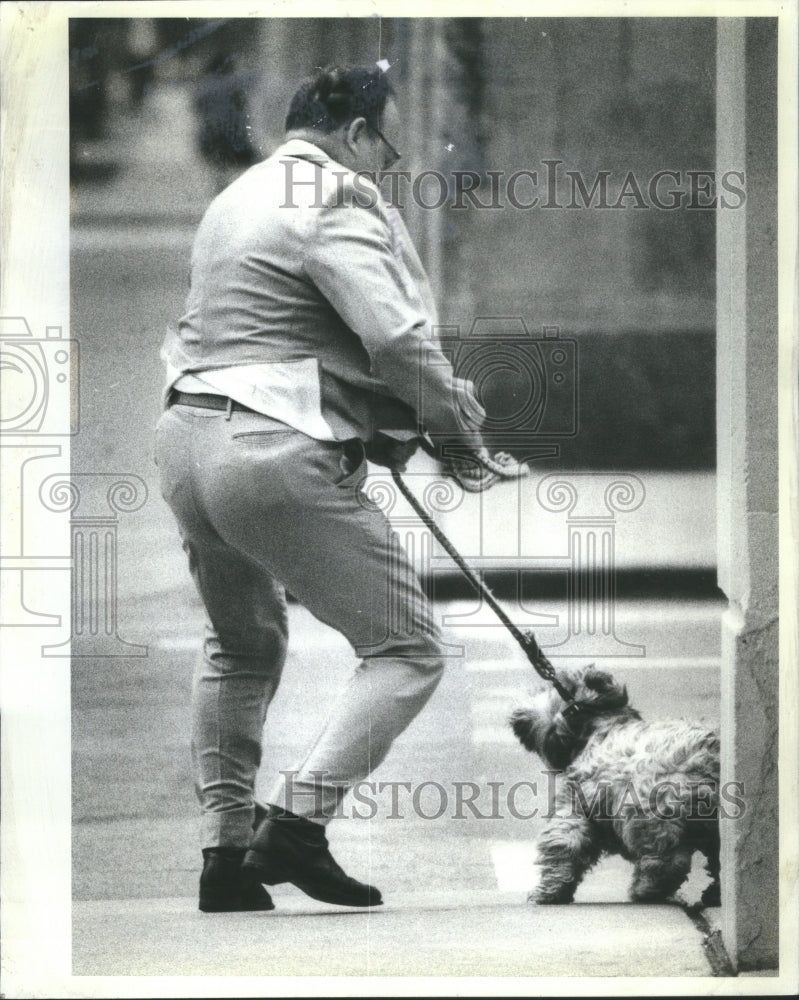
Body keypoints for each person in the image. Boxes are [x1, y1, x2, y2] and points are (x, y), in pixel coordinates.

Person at [155, 65, 496, 913]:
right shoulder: (336, 196)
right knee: (407, 648)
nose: (387, 162)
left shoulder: (239, 194)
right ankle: (298, 826)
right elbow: (395, 338)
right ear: (353, 134)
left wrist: (369, 424)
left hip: (185, 444)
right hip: (269, 453)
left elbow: (273, 329)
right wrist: (457, 434)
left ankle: (225, 859)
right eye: (385, 141)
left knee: (240, 648)